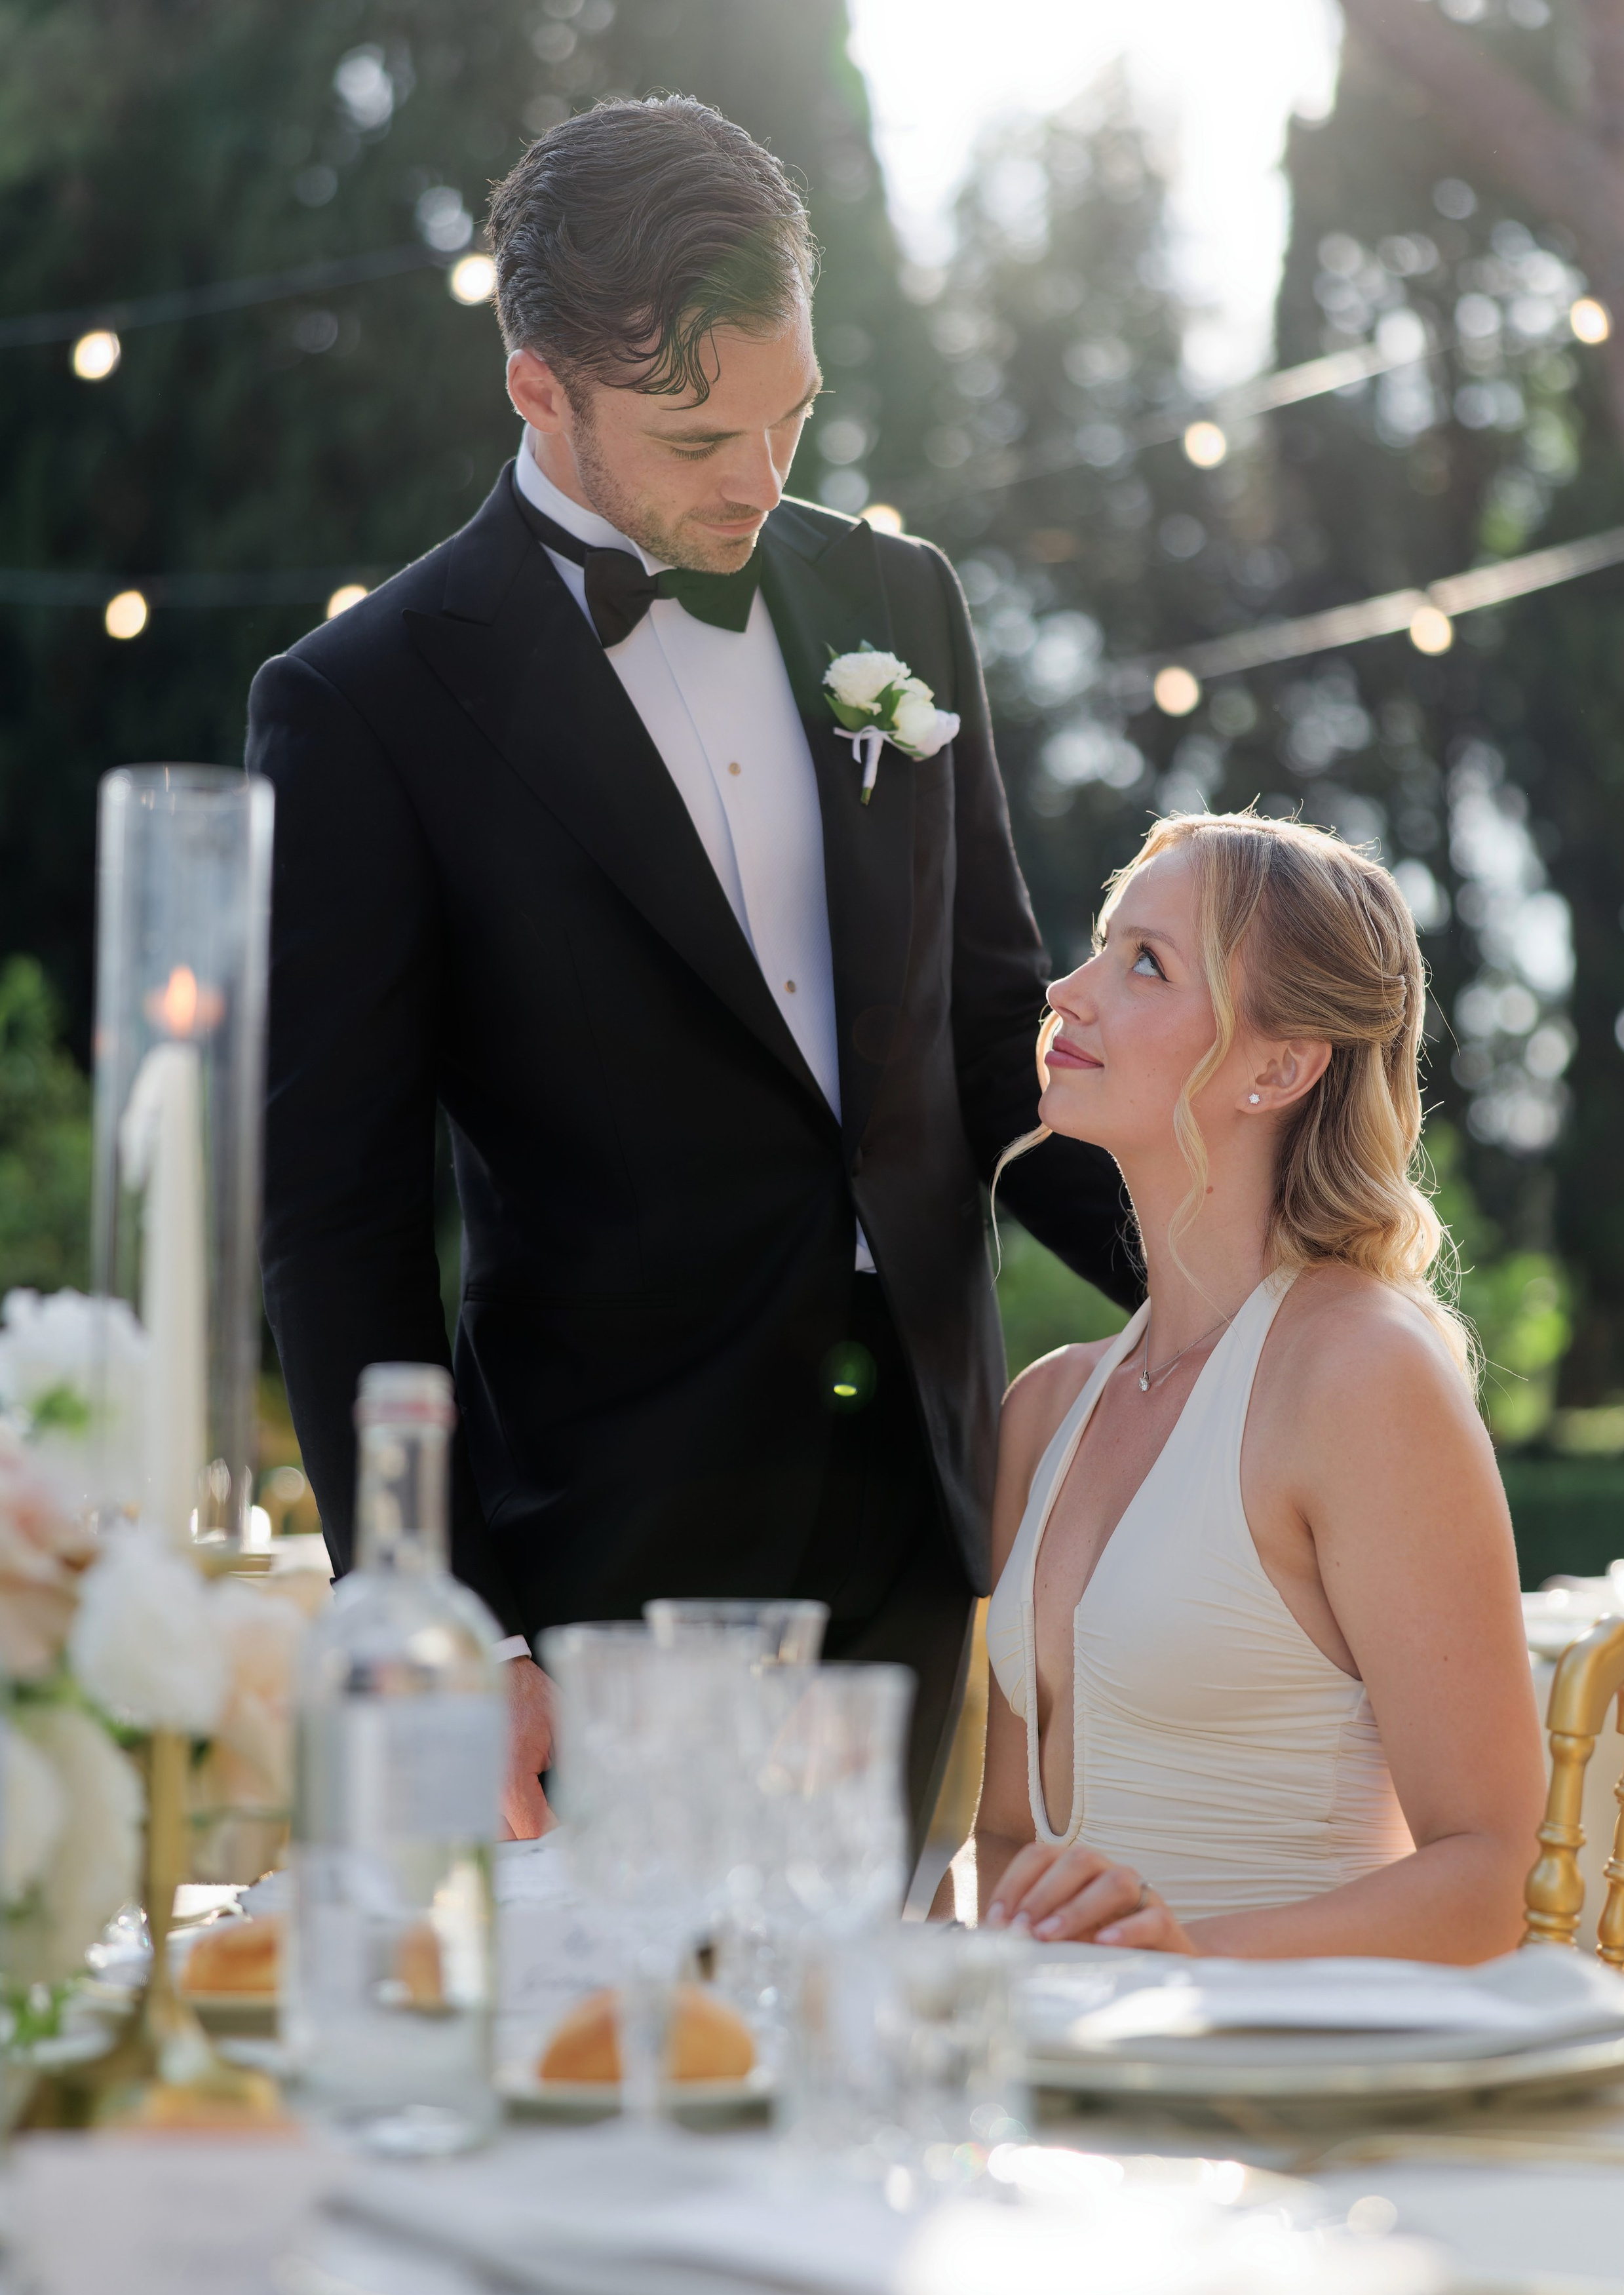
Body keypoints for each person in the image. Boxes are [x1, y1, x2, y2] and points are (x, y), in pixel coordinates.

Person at [248, 95, 1141, 1842]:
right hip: (601, 1554)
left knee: (877, 2050)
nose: (759, 476)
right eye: (695, 431)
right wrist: (458, 1622)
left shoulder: (903, 597)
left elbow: (987, 1034)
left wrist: (1244, 1288)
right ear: (538, 392)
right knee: (635, 2074)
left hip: (916, 1507)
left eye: (791, 413)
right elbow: (337, 1216)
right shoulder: (364, 706)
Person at [967, 812, 1546, 1959]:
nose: (1066, 993)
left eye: (1145, 963)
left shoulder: (1361, 1377)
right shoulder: (1045, 1406)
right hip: (1072, 2099)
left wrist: (1184, 1972)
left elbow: (1487, 1878)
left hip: (1288, 2092)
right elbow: (999, 1838)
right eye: (1100, 945)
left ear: (1279, 1068)